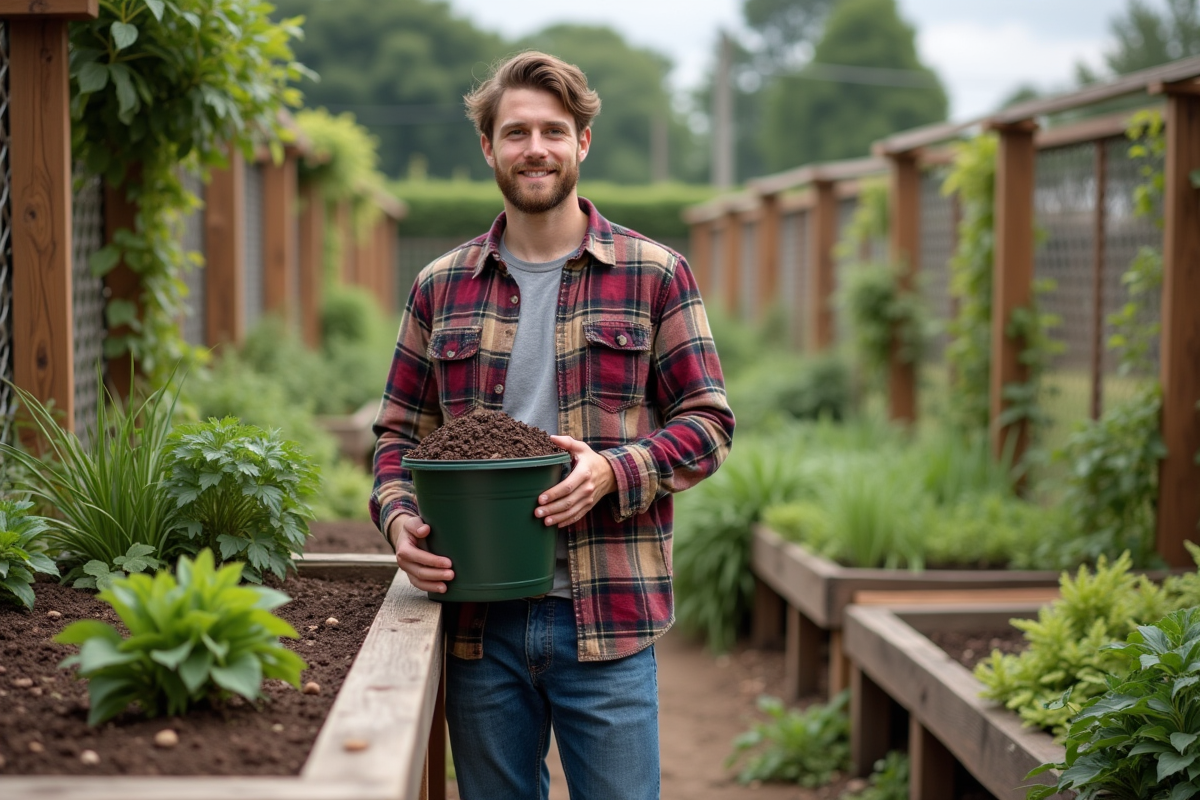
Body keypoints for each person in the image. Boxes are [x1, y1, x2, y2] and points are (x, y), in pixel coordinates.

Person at [370, 50, 735, 800]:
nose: (535, 148)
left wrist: (613, 470)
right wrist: (400, 520)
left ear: (582, 143)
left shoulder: (654, 273)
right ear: (488, 147)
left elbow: (708, 425)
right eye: (516, 133)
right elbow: (398, 435)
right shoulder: (440, 286)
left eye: (553, 131)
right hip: (479, 619)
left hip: (608, 612)